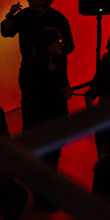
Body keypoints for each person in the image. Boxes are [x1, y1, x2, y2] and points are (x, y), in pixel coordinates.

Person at [19, 27, 72, 208]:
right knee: (46, 160)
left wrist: (67, 91)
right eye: (57, 43)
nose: (61, 45)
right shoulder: (30, 67)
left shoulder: (60, 61)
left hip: (57, 116)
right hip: (40, 119)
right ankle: (44, 197)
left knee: (53, 157)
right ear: (46, 45)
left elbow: (64, 81)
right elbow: (29, 96)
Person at [0, 0, 74, 60]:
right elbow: (6, 32)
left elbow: (68, 46)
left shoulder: (59, 19)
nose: (28, 0)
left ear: (43, 0)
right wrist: (10, 15)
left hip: (52, 68)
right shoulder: (24, 15)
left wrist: (52, 56)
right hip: (30, 66)